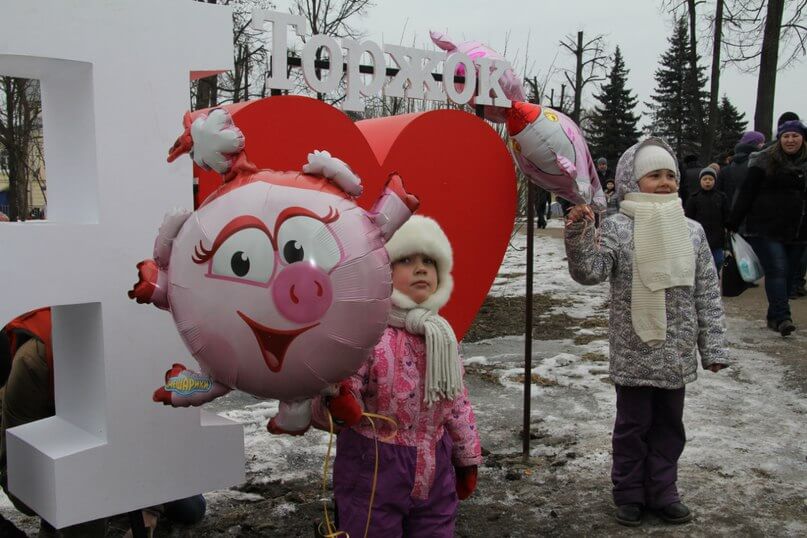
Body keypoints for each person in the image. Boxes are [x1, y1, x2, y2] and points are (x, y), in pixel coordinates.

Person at [564, 138, 729, 527]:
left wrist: (714, 346)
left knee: (670, 428)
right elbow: (591, 272)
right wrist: (579, 234)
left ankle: (663, 489)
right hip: (633, 346)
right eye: (654, 175)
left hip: (676, 351)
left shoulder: (692, 231)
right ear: (633, 182)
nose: (666, 181)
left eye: (671, 175)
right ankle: (629, 493)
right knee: (632, 427)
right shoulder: (620, 228)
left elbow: (706, 290)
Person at [313, 215, 482, 538]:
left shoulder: (442, 336)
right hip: (373, 467)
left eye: (429, 262)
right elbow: (340, 393)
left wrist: (466, 456)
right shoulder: (367, 333)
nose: (420, 269)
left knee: (436, 530)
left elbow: (457, 402)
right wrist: (339, 401)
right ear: (383, 272)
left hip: (434, 463)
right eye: (406, 260)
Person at [0, 309, 207, 537]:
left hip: (119, 445)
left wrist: (150, 508)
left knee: (192, 508)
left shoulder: (136, 346)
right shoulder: (32, 363)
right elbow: (20, 479)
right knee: (82, 518)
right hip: (67, 452)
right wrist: (59, 503)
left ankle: (118, 503)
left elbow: (155, 427)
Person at [728, 120, 807, 336]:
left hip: (799, 229)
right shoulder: (764, 160)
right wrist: (732, 222)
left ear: (803, 138)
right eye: (786, 136)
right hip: (766, 228)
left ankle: (775, 316)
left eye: (795, 136)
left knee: (789, 274)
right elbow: (747, 192)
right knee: (777, 269)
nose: (790, 140)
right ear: (779, 139)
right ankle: (783, 317)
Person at [685, 168, 730, 271]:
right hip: (700, 237)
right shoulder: (694, 198)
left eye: (710, 179)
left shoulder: (721, 197)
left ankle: (716, 278)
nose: (708, 181)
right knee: (703, 263)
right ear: (700, 181)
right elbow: (689, 218)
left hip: (717, 236)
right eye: (705, 179)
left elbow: (726, 215)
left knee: (718, 261)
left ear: (715, 181)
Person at [718, 131, 765, 208]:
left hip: (732, 208)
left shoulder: (727, 168)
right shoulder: (757, 164)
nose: (764, 145)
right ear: (756, 144)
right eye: (762, 142)